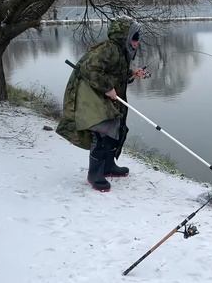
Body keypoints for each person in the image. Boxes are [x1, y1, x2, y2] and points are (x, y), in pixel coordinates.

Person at [56, 16, 146, 192]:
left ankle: (108, 166)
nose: (137, 42)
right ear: (125, 37)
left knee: (116, 130)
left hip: (105, 95)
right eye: (135, 38)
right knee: (102, 132)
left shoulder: (120, 51)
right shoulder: (107, 49)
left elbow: (115, 73)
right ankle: (94, 174)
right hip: (92, 96)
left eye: (138, 38)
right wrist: (107, 88)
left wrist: (132, 73)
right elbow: (89, 69)